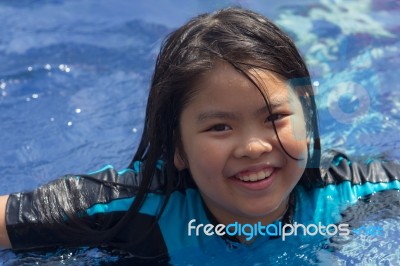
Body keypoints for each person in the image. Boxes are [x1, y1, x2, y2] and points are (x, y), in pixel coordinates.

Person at [0, 6, 399, 264]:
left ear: (308, 118)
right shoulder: (133, 208)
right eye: (220, 127)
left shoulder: (357, 190)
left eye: (275, 117)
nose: (254, 146)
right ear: (177, 148)